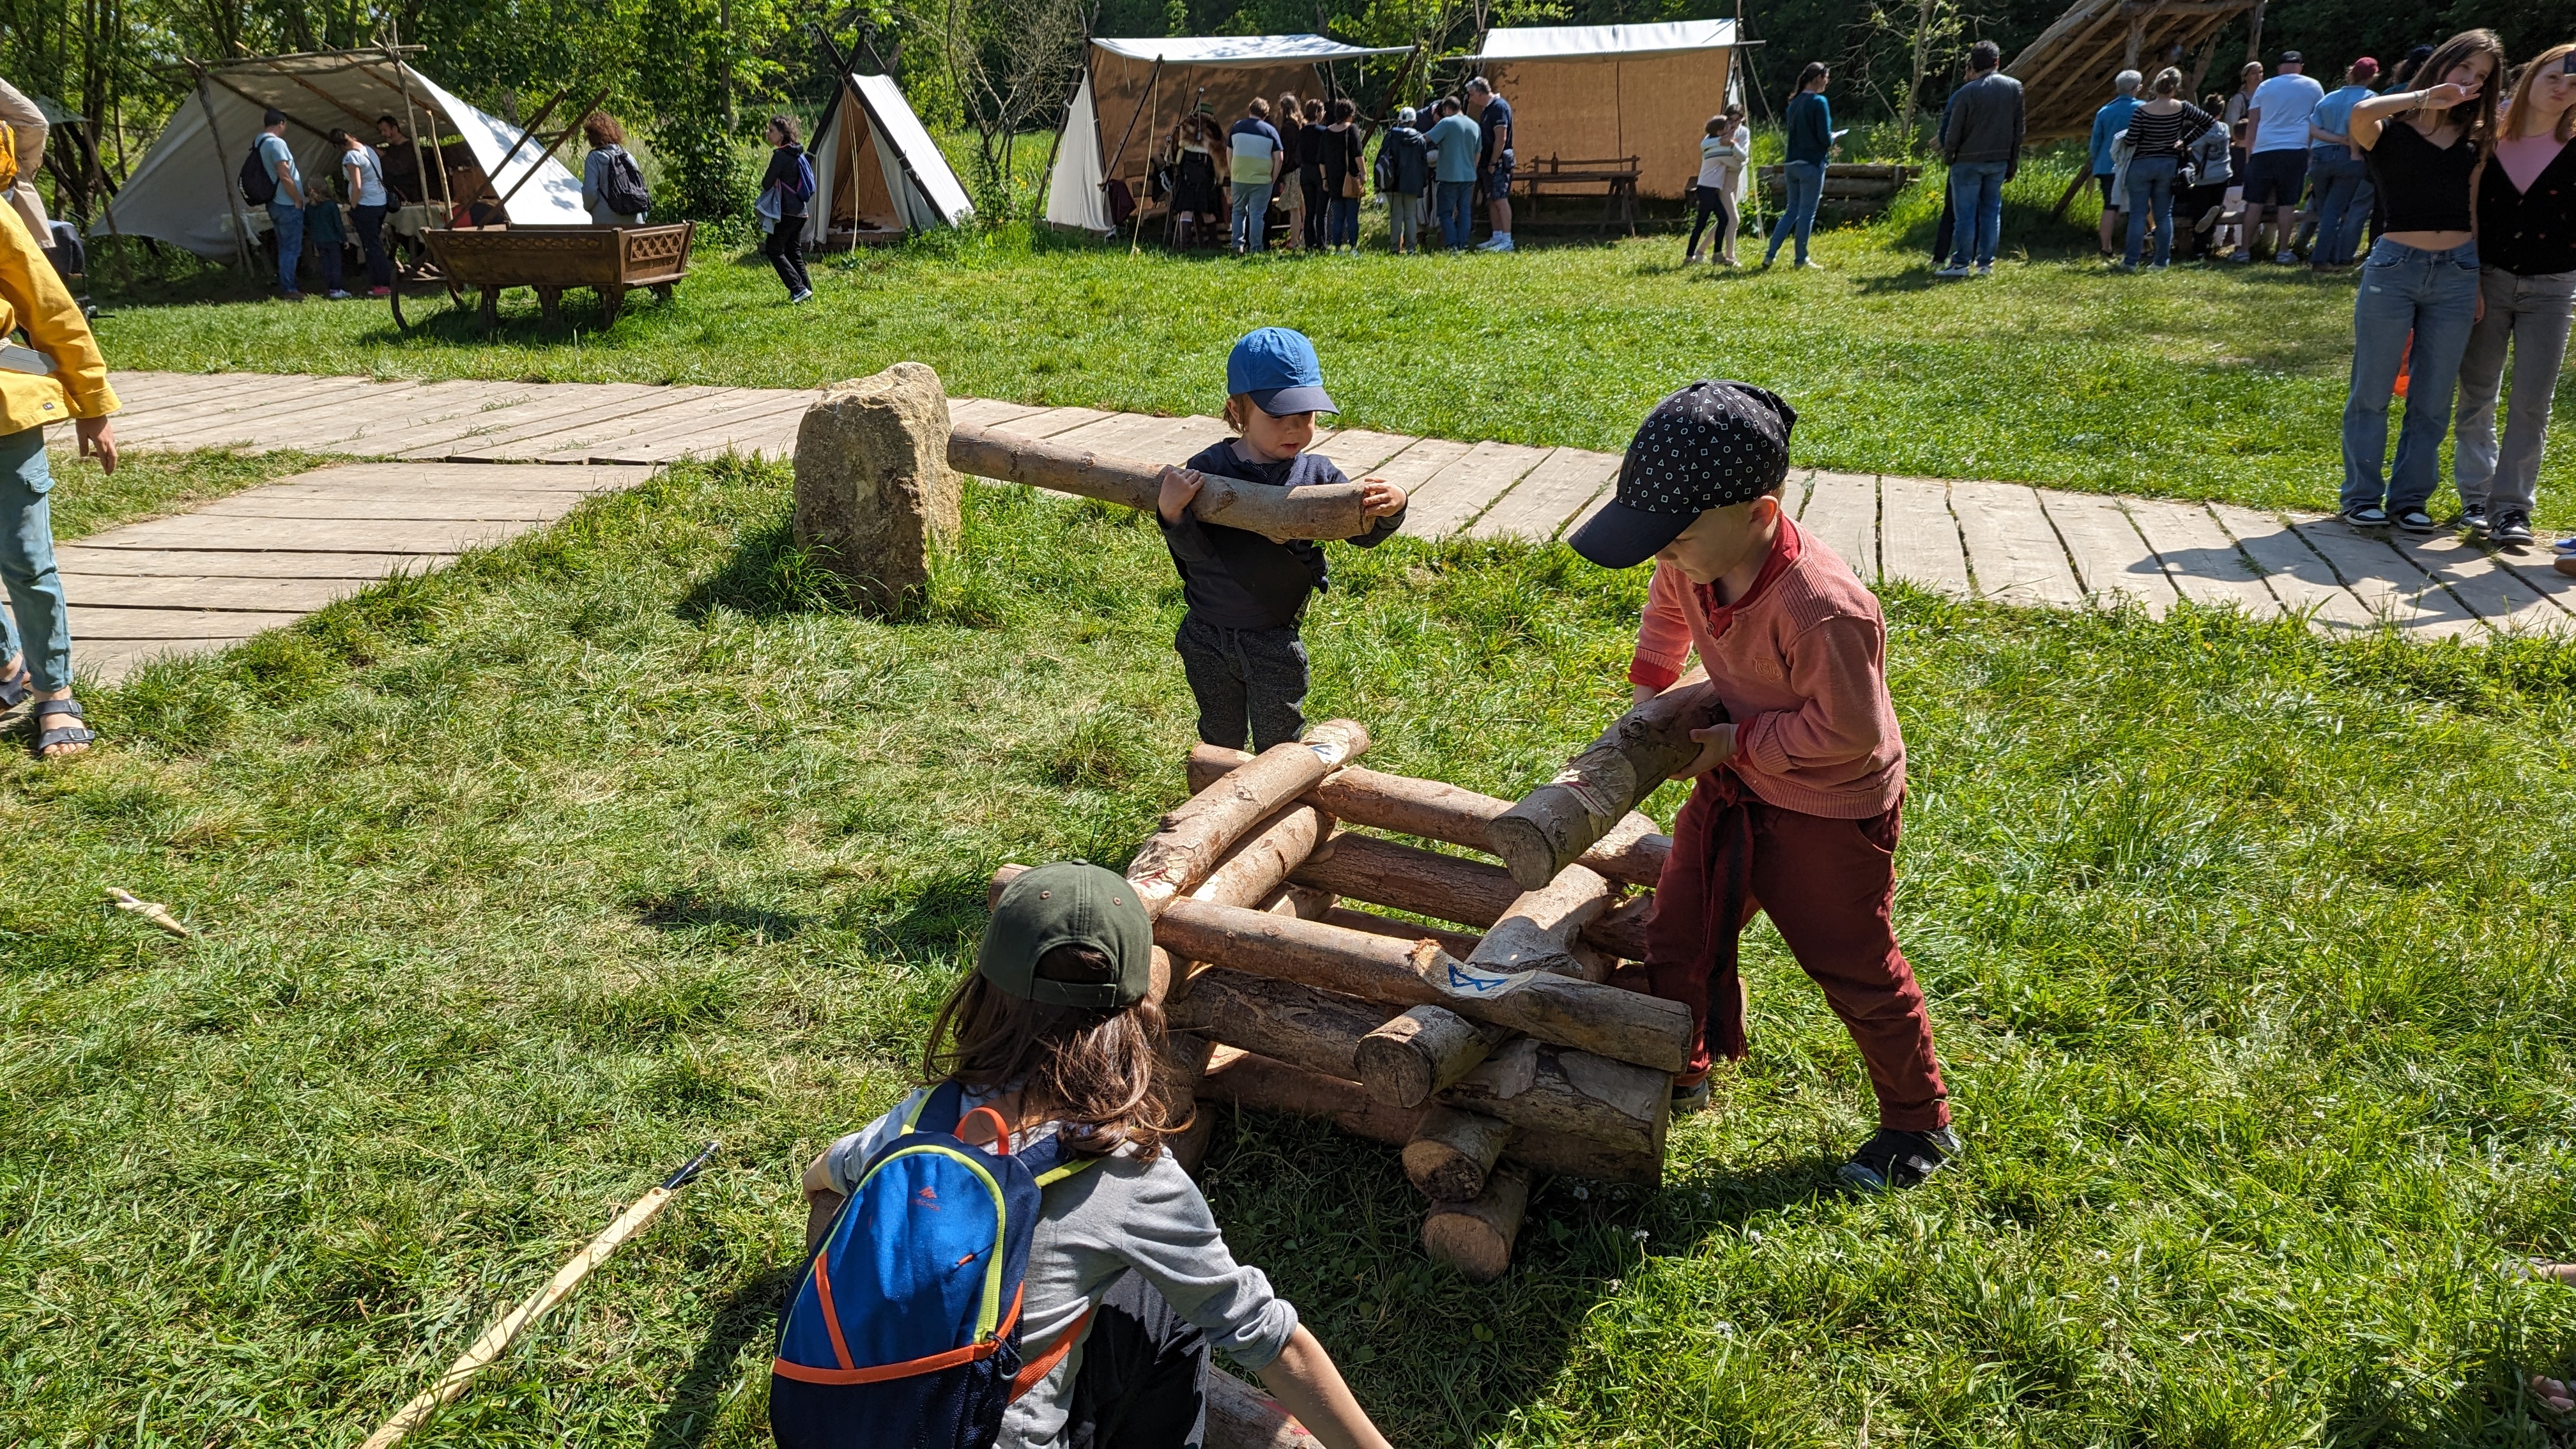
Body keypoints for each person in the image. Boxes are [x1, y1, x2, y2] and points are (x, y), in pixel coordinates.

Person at [793, 862, 1397, 1449]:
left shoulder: (925, 1117)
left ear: (983, 991)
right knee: (1168, 1301)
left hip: (852, 1417)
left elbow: (823, 1173)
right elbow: (1264, 1334)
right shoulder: (1130, 1173)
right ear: (1135, 1016)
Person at [1562, 381, 1958, 1192]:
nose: (1663, 558)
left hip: (1830, 811)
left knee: (1850, 962)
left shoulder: (1822, 611)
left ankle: (1920, 1121)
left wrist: (1737, 742)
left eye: (1673, 540)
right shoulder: (1693, 560)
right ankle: (1685, 1063)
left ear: (1761, 514)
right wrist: (1651, 700)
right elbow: (1667, 610)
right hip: (1740, 782)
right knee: (1680, 925)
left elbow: (1848, 732)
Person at [1153, 328, 1407, 752]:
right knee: (1218, 738)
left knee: (1279, 742)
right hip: (1206, 633)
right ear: (1238, 410)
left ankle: (1279, 814)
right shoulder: (1209, 468)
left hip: (1273, 638)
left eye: (1305, 416)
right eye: (1277, 416)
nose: (1294, 428)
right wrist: (1173, 513)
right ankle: (1215, 808)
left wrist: (1392, 507)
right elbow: (1195, 555)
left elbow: (1361, 535)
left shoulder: (1318, 474)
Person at [2337, 29, 2503, 530]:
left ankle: (2410, 499)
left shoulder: (2475, 136)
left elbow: (2472, 207)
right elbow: (2360, 116)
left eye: (2481, 77)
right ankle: (2361, 496)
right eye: (2464, 69)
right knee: (2373, 389)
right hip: (2395, 266)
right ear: (2443, 64)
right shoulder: (2389, 128)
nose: (2470, 82)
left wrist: (2473, 276)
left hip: (2456, 271)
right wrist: (2424, 97)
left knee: (2432, 397)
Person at [0, 169, 118, 761]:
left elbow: (53, 311)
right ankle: (7, 660)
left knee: (24, 556)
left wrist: (91, 405)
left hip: (3, 413)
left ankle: (54, 692)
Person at [2453, 40, 2575, 546]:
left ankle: (2512, 509)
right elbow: (2472, 211)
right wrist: (2473, 278)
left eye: (2573, 84)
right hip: (2490, 279)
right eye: (2554, 77)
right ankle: (2476, 500)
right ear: (2532, 77)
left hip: (2553, 288)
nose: (2562, 89)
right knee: (2477, 393)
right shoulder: (2487, 137)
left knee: (2532, 402)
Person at [1935, 41, 2025, 279]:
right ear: (1997, 62)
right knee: (1991, 212)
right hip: (1999, 159)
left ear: (1973, 64)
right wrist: (2013, 161)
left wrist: (1949, 155)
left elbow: (1954, 131)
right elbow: (2018, 129)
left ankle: (1961, 263)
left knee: (1965, 214)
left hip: (1967, 160)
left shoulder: (1966, 92)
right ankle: (1986, 264)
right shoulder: (2014, 88)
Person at [2114, 68, 2216, 270]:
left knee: (2137, 214)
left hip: (2142, 164)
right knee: (2163, 215)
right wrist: (2185, 141)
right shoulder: (2183, 107)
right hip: (2168, 164)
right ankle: (2161, 262)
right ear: (2176, 87)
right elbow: (2209, 121)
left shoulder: (2142, 110)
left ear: (2155, 86)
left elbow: (2132, 138)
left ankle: (2130, 262)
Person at [2242, 52, 2325, 262]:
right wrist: (2310, 151)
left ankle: (2243, 251)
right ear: (2301, 67)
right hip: (2295, 149)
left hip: (2264, 148)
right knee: (2287, 204)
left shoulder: (2265, 86)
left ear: (2279, 68)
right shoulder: (2314, 86)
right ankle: (2282, 252)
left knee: (2254, 203)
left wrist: (2249, 152)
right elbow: (2318, 122)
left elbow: (2252, 122)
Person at [2307, 58, 2382, 269]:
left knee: (2326, 211)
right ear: (2372, 77)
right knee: (2335, 211)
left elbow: (2314, 129)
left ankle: (2329, 256)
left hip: (2321, 156)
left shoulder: (2329, 98)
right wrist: (2351, 147)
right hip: (2349, 158)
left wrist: (2336, 139)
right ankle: (2321, 260)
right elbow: (2361, 128)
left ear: (2351, 73)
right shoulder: (2370, 99)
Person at [1765, 63, 1835, 268]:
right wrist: (1832, 139)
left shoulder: (1794, 103)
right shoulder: (1819, 102)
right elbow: (1824, 137)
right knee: (1807, 213)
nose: (1827, 81)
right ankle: (1801, 258)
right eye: (1826, 77)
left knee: (1791, 210)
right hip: (1811, 164)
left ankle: (1770, 254)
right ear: (1818, 78)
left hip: (1791, 163)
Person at [250, 109, 310, 300]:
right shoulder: (276, 143)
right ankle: (290, 288)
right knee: (291, 248)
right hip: (286, 202)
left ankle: (288, 282)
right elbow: (284, 175)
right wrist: (298, 199)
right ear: (281, 123)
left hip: (274, 203)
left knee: (284, 246)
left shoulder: (259, 142)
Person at [758, 114, 813, 303]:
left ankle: (798, 289)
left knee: (773, 249)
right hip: (801, 212)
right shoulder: (798, 152)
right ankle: (806, 291)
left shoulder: (781, 155)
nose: (768, 134)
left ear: (782, 134)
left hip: (786, 212)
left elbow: (766, 183)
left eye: (771, 131)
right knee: (793, 251)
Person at [334, 126, 393, 296]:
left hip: (366, 204)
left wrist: (352, 207)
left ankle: (382, 283)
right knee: (375, 244)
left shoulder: (351, 156)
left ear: (339, 146)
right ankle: (383, 280)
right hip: (380, 201)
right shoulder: (369, 150)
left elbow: (357, 186)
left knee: (371, 246)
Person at [1685, 107, 1749, 265]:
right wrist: (1725, 142)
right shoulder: (1717, 141)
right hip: (1714, 184)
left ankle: (1701, 253)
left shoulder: (1743, 133)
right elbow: (1706, 145)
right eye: (1730, 120)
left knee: (1723, 218)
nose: (1733, 124)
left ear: (1742, 119)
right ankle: (1727, 256)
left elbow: (1744, 157)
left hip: (1725, 181)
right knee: (1730, 219)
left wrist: (1732, 145)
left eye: (1736, 120)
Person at [2177, 91, 2236, 259]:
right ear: (2221, 113)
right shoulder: (2224, 128)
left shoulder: (2198, 133)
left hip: (2205, 178)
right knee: (2212, 213)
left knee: (2200, 214)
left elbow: (2187, 148)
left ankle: (2199, 249)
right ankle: (2210, 244)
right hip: (2224, 174)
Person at [2092, 70, 2143, 257]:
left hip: (2107, 165)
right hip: (2136, 164)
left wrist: (2096, 161)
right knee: (2139, 206)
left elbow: (2096, 143)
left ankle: (2106, 247)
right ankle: (2138, 247)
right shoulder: (2144, 109)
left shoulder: (2104, 111)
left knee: (2110, 206)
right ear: (2135, 88)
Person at [1227, 98, 1287, 256]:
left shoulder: (1237, 127)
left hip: (1239, 176)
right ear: (1265, 115)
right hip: (1262, 179)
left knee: (1238, 211)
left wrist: (1233, 171)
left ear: (1250, 111)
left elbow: (1229, 152)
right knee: (1257, 214)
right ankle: (1255, 248)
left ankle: (1237, 245)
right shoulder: (1270, 131)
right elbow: (1279, 158)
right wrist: (1273, 178)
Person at [1425, 97, 1480, 254]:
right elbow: (1478, 152)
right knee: (1464, 211)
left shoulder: (1446, 123)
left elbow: (1427, 138)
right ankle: (1463, 244)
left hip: (1449, 176)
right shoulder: (1475, 125)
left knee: (1445, 212)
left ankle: (1452, 244)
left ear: (1447, 110)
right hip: (1468, 176)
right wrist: (1472, 170)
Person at [1468, 75, 1514, 251]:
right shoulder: (1487, 109)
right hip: (1488, 162)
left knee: (1501, 200)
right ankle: (1497, 236)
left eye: (1472, 95)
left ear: (1480, 93)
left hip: (1499, 162)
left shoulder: (1499, 107)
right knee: (1492, 199)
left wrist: (1494, 161)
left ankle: (1508, 241)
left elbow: (1501, 138)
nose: (1470, 99)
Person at [579, 112, 648, 227]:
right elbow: (640, 189)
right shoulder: (628, 156)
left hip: (606, 226)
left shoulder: (594, 158)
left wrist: (589, 209)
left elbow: (590, 193)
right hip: (635, 224)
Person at [1377, 106, 1428, 254]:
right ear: (1414, 122)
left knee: (1396, 215)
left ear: (1399, 120)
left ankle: (1395, 248)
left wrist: (1379, 183)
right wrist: (1423, 182)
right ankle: (1411, 248)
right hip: (1413, 183)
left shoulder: (1391, 136)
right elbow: (1423, 163)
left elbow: (1382, 159)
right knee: (1411, 216)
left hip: (1393, 182)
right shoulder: (1420, 139)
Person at [1321, 98, 1363, 253]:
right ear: (1350, 114)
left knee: (1338, 216)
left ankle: (1337, 247)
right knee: (1352, 216)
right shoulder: (1352, 129)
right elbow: (1358, 154)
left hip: (1333, 178)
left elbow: (1321, 160)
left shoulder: (1327, 132)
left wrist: (1325, 179)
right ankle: (1353, 247)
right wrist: (1363, 173)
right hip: (1350, 177)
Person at [302, 166, 348, 300]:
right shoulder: (331, 205)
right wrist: (344, 238)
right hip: (332, 239)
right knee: (335, 264)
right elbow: (338, 224)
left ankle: (329, 287)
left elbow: (307, 223)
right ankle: (337, 288)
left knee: (325, 264)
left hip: (318, 239)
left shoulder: (309, 207)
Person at [1275, 93, 1307, 250]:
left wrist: (1280, 175)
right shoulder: (1302, 125)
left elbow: (1286, 154)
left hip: (1293, 172)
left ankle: (1294, 242)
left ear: (1284, 109)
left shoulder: (1288, 128)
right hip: (1304, 170)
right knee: (1304, 208)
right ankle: (1306, 239)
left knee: (1294, 209)